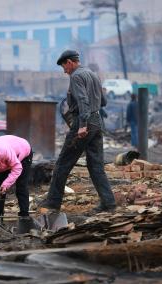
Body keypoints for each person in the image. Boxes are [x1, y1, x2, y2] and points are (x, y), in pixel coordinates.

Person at [39, 50, 116, 213]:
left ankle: (52, 203)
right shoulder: (92, 74)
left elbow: (82, 100)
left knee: (62, 164)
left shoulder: (76, 76)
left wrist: (82, 125)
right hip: (97, 122)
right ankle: (108, 203)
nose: (64, 71)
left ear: (70, 62)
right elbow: (103, 101)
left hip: (84, 124)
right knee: (96, 165)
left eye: (64, 67)